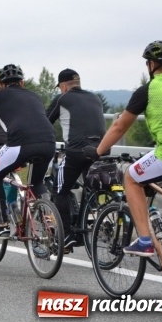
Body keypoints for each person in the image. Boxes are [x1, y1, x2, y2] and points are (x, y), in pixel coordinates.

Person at [90, 41, 162, 256]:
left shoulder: (148, 89)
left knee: (132, 177)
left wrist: (98, 151)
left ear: (152, 64)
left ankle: (144, 241)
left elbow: (119, 125)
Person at [0, 64, 56, 238]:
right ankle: (50, 220)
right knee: (37, 183)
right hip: (48, 143)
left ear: (1, 84)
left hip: (19, 144)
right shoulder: (35, 96)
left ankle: (1, 225)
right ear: (22, 82)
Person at [45, 68, 107, 250]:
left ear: (63, 86)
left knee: (59, 190)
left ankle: (67, 236)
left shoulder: (62, 99)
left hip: (76, 151)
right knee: (90, 187)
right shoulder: (95, 97)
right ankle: (87, 222)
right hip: (100, 149)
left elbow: (45, 121)